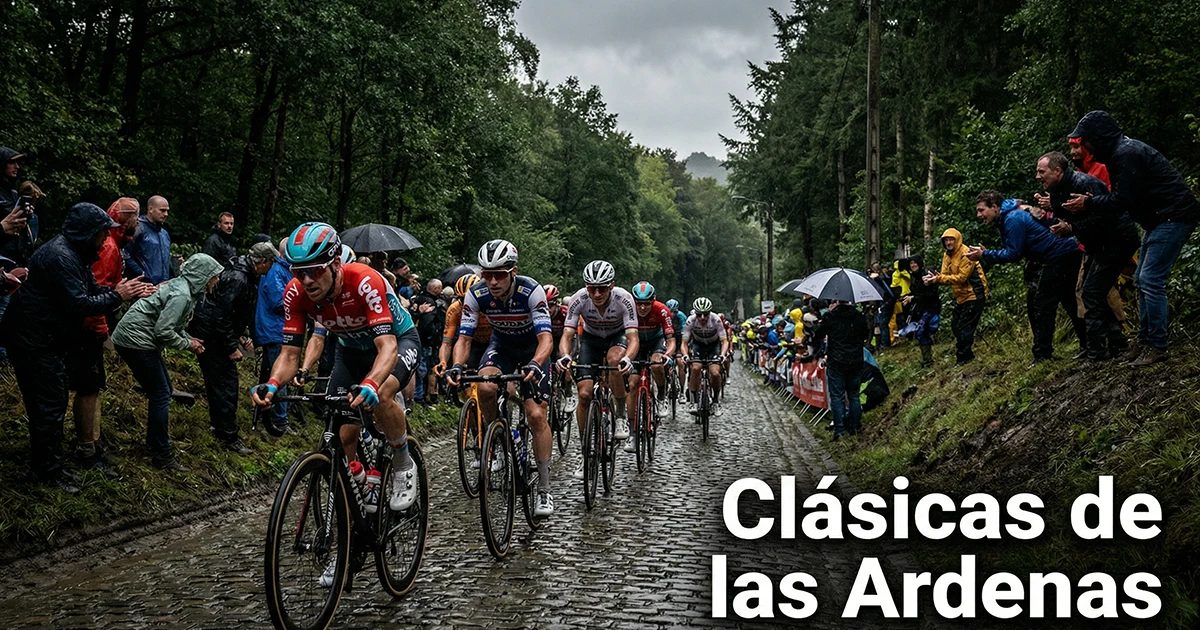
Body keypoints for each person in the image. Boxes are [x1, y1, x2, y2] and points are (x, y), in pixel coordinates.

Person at [254, 223, 422, 514]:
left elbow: (387, 347)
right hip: (351, 350)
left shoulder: (365, 281)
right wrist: (273, 384)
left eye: (315, 270)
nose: (306, 280)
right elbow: (290, 354)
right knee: (343, 435)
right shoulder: (295, 292)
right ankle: (358, 485)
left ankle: (402, 462)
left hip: (396, 341)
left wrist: (370, 383)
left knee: (382, 394)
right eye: (298, 272)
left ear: (335, 264)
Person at [2, 203, 155, 492]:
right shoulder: (61, 256)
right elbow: (78, 304)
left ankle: (50, 466)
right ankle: (47, 474)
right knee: (49, 404)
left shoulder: (76, 253)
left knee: (54, 400)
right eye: (102, 233)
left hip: (44, 337)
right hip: (32, 338)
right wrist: (118, 296)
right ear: (87, 232)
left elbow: (90, 290)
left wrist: (120, 291)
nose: (105, 239)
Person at [1065, 110, 1200, 366]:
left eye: (1085, 141)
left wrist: (1089, 203)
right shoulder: (1119, 153)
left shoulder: (1126, 154)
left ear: (1098, 138)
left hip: (1173, 217)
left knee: (1150, 279)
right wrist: (1095, 203)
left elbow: (1122, 200)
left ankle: (1157, 345)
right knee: (1141, 279)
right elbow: (1124, 198)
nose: (1084, 147)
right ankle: (1145, 340)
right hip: (1159, 220)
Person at [446, 239, 555, 516]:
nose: (493, 281)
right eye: (487, 274)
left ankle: (544, 489)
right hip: (502, 345)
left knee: (536, 415)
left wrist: (535, 363)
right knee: (484, 388)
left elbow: (546, 339)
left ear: (513, 271)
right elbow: (464, 338)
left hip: (533, 348)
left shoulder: (531, 291)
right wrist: (457, 365)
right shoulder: (476, 293)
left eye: (500, 275)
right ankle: (498, 437)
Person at [112, 253, 223, 471]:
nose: (216, 280)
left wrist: (188, 338)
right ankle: (162, 454)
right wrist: (187, 344)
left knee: (163, 390)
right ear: (202, 276)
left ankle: (154, 444)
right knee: (161, 393)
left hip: (137, 340)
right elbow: (163, 331)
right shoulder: (182, 295)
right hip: (135, 341)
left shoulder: (184, 289)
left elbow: (173, 324)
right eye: (214, 275)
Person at [1034, 151, 1139, 362]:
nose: (1038, 176)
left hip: (1117, 240)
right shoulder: (1056, 191)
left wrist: (1072, 228)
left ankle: (1097, 354)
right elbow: (1066, 219)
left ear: (1057, 171)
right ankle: (1116, 344)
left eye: (1041, 171)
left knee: (1091, 293)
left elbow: (1106, 217)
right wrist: (1059, 223)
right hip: (1096, 244)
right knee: (1090, 292)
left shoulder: (1084, 184)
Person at [967, 191, 1086, 365]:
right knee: (1069, 302)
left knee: (1043, 304)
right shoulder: (1006, 217)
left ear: (994, 207)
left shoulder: (1012, 219)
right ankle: (1087, 344)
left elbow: (1014, 253)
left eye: (981, 210)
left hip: (1060, 255)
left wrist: (985, 255)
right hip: (1061, 254)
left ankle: (1042, 354)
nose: (979, 215)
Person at [72, 198, 142, 479]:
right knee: (89, 386)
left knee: (94, 386)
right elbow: (95, 291)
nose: (139, 222)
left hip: (93, 324)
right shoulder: (109, 247)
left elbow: (108, 287)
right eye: (136, 216)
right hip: (88, 328)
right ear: (125, 219)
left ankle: (93, 442)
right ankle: (86, 447)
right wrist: (101, 329)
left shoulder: (116, 244)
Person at [189, 242, 277, 453]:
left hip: (216, 333)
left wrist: (241, 336)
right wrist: (231, 347)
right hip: (211, 336)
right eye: (271, 262)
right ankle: (227, 434)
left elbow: (235, 311)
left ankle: (220, 426)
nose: (272, 266)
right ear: (262, 262)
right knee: (226, 384)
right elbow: (220, 314)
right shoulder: (239, 278)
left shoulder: (245, 274)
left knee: (222, 382)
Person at [557, 260, 640, 476]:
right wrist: (565, 355)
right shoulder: (579, 299)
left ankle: (620, 415)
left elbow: (633, 338)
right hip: (591, 340)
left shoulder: (624, 299)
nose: (596, 293)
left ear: (611, 285)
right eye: (592, 288)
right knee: (584, 395)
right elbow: (567, 335)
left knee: (614, 360)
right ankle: (585, 451)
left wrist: (628, 358)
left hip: (617, 336)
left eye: (602, 288)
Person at [802, 300, 870, 439]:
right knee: (854, 396)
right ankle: (856, 426)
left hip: (836, 361)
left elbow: (819, 333)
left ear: (838, 300)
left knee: (837, 397)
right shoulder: (859, 316)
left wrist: (818, 325)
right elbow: (865, 335)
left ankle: (839, 430)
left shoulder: (830, 316)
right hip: (855, 360)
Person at [625, 281, 675, 451]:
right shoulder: (628, 309)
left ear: (653, 301)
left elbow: (671, 340)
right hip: (636, 343)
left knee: (656, 364)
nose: (642, 307)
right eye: (639, 303)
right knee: (632, 384)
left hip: (656, 341)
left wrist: (667, 355)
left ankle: (661, 395)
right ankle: (632, 432)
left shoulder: (662, 310)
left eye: (647, 304)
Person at [926, 228, 988, 366]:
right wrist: (935, 278)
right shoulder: (947, 255)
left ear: (957, 240)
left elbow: (961, 277)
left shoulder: (966, 253)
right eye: (946, 240)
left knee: (964, 326)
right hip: (960, 297)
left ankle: (963, 357)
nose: (948, 243)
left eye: (951, 240)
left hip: (974, 294)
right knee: (955, 326)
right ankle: (967, 354)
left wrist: (939, 278)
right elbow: (944, 275)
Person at [253, 238, 296, 435]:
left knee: (271, 373)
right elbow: (279, 302)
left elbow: (282, 300)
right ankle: (278, 418)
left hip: (277, 328)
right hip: (274, 329)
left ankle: (268, 413)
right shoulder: (275, 270)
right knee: (277, 373)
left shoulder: (280, 270)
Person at [680, 297, 729, 415]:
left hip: (714, 346)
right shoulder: (690, 321)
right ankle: (693, 401)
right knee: (695, 368)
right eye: (699, 314)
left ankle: (716, 401)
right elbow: (684, 343)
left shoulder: (716, 320)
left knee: (715, 373)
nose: (702, 318)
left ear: (710, 313)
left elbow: (724, 341)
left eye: (705, 314)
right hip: (698, 345)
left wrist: (722, 355)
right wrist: (685, 355)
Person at [438, 274, 490, 376]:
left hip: (495, 342)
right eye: (463, 299)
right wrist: (443, 361)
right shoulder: (455, 310)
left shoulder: (491, 304)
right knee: (466, 375)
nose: (467, 302)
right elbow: (447, 342)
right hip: (473, 343)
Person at [411, 278, 445, 405]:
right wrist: (434, 335)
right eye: (440, 288)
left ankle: (422, 396)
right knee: (422, 369)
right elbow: (427, 324)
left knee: (422, 369)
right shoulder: (429, 303)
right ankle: (419, 397)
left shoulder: (418, 298)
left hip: (417, 339)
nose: (441, 291)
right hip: (424, 341)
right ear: (435, 289)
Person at [125, 195, 173, 284]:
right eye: (162, 210)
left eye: (167, 211)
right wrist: (143, 275)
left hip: (163, 285)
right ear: (150, 209)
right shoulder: (138, 229)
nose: (166, 214)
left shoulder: (164, 234)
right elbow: (126, 255)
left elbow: (165, 259)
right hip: (143, 285)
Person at [902, 255, 940, 367]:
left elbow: (930, 293)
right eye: (911, 263)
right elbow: (916, 292)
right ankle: (927, 359)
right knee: (922, 333)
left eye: (915, 263)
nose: (913, 265)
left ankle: (928, 359)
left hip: (930, 308)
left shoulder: (925, 275)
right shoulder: (913, 277)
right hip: (920, 309)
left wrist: (913, 298)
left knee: (922, 331)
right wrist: (908, 298)